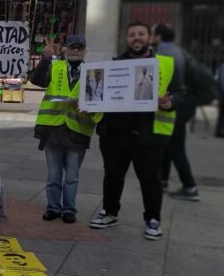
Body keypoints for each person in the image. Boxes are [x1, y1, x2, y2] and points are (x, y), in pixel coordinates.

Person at [90, 22, 175, 241]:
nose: (136, 38)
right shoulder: (115, 64)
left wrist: (170, 102)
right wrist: (88, 102)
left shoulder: (165, 64)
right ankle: (109, 212)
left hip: (148, 135)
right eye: (131, 35)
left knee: (150, 179)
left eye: (140, 34)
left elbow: (183, 94)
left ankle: (152, 219)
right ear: (126, 39)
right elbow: (101, 94)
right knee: (113, 176)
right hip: (115, 134)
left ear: (149, 37)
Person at [30, 34, 101, 223]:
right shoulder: (56, 66)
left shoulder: (93, 73)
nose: (75, 51)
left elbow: (98, 106)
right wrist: (45, 58)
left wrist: (87, 107)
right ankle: (53, 207)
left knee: (71, 175)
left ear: (84, 50)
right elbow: (37, 81)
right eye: (72, 47)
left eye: (79, 48)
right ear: (66, 49)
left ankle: (69, 209)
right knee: (53, 174)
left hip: (77, 131)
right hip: (53, 130)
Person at [152, 23, 199, 201]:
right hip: (183, 102)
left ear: (158, 36)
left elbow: (169, 82)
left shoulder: (164, 54)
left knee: (175, 146)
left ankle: (190, 186)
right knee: (167, 143)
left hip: (175, 103)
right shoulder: (178, 51)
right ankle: (162, 180)